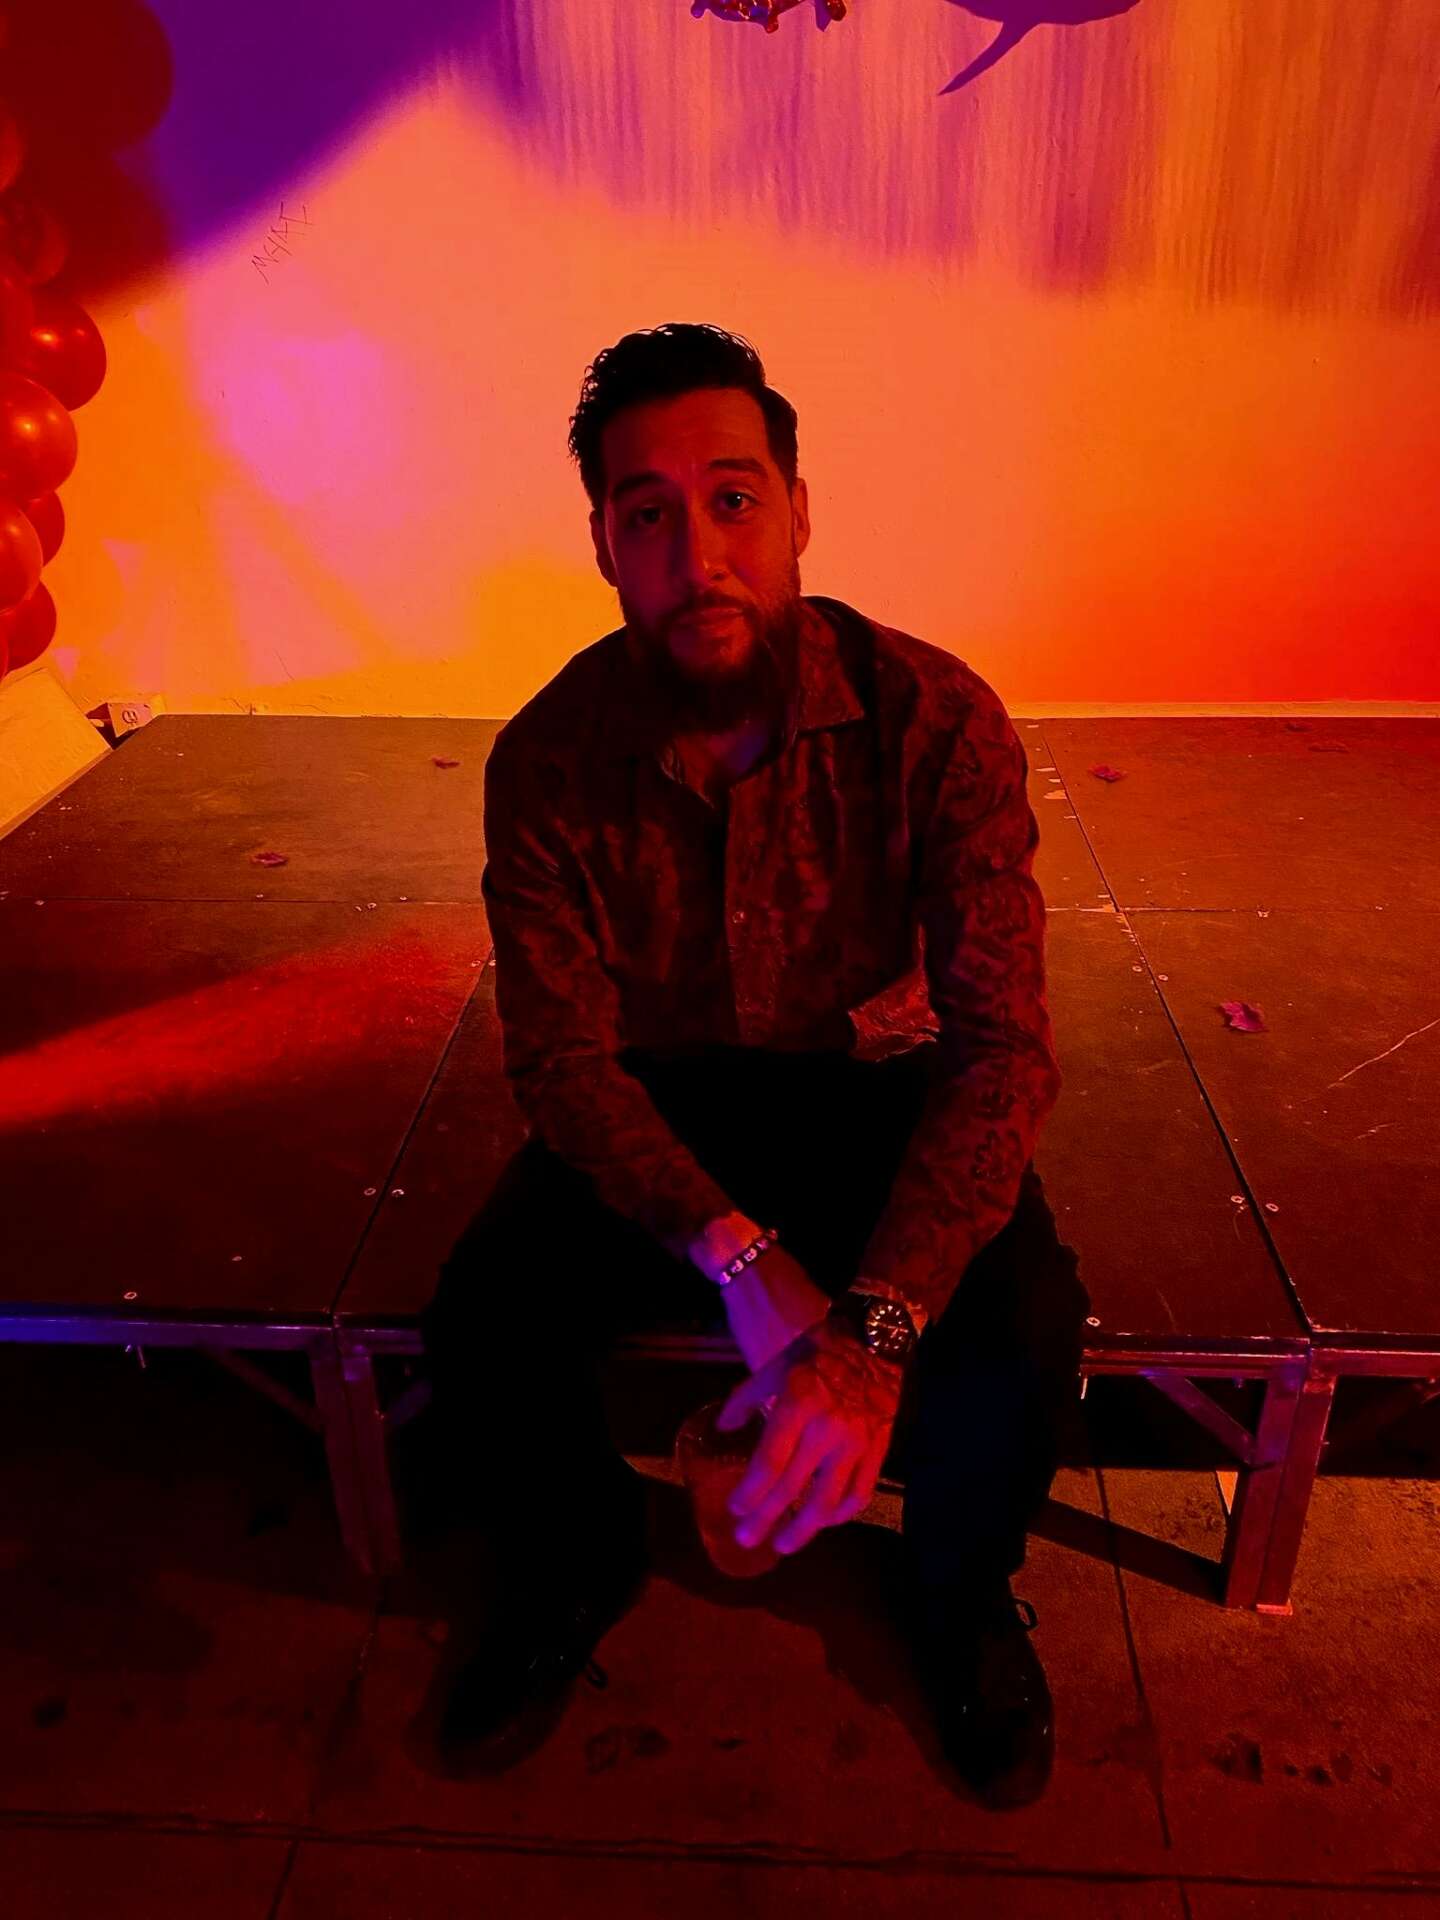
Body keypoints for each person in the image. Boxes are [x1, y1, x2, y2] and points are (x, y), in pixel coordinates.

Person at [421, 323, 1090, 1809]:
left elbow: (1001, 1053)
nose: (698, 556)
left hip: (877, 1091)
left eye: (733, 500)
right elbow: (563, 1064)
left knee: (1025, 1331)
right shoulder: (548, 760)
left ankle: (957, 1593)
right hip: (663, 1106)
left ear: (797, 511)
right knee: (483, 1318)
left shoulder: (935, 722)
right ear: (604, 545)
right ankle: (572, 1564)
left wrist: (868, 1337)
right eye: (648, 514)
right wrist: (735, 1252)